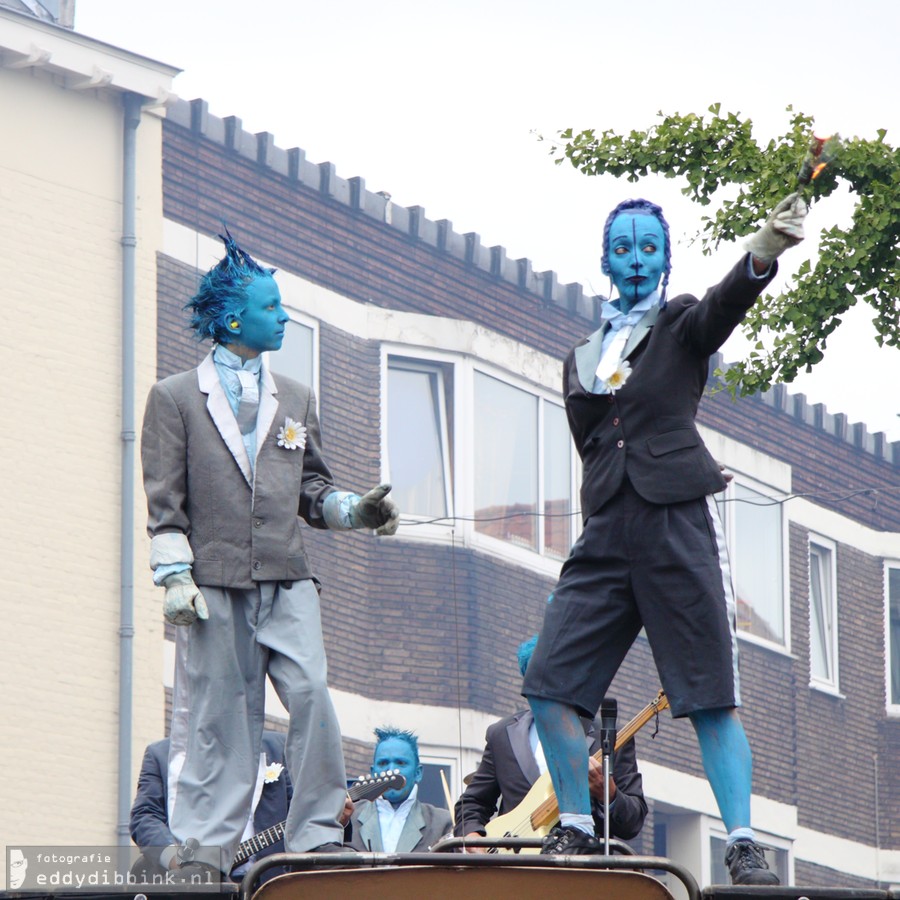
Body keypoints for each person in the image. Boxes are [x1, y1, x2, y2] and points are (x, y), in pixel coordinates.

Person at [522, 194, 808, 885]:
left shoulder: (680, 324)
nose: (636, 259)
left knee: (709, 693)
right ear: (604, 261)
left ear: (665, 257)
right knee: (548, 684)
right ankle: (577, 829)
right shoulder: (579, 358)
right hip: (606, 530)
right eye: (623, 247)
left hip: (675, 519)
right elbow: (592, 444)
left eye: (648, 246)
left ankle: (741, 842)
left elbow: (723, 306)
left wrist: (761, 252)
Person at [140, 231, 400, 873]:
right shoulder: (174, 398)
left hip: (287, 581)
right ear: (234, 318)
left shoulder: (297, 398)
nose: (283, 317)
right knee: (220, 718)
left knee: (312, 694)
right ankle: (205, 848)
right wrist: (174, 576)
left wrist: (354, 511)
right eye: (273, 307)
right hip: (214, 587)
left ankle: (316, 830)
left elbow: (313, 489)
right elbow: (163, 500)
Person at [454, 636, 647, 848]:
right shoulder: (501, 734)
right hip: (516, 867)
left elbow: (633, 822)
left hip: (585, 869)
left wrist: (608, 795)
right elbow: (473, 802)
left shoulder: (610, 735)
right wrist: (471, 835)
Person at [130, 731, 293, 879]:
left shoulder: (277, 747)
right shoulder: (161, 754)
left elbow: (298, 809)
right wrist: (176, 858)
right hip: (192, 886)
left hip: (267, 883)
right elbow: (145, 816)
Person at [348, 727, 452, 853]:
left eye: (400, 763)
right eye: (383, 763)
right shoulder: (349, 817)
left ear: (418, 773)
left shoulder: (442, 822)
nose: (391, 770)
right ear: (373, 772)